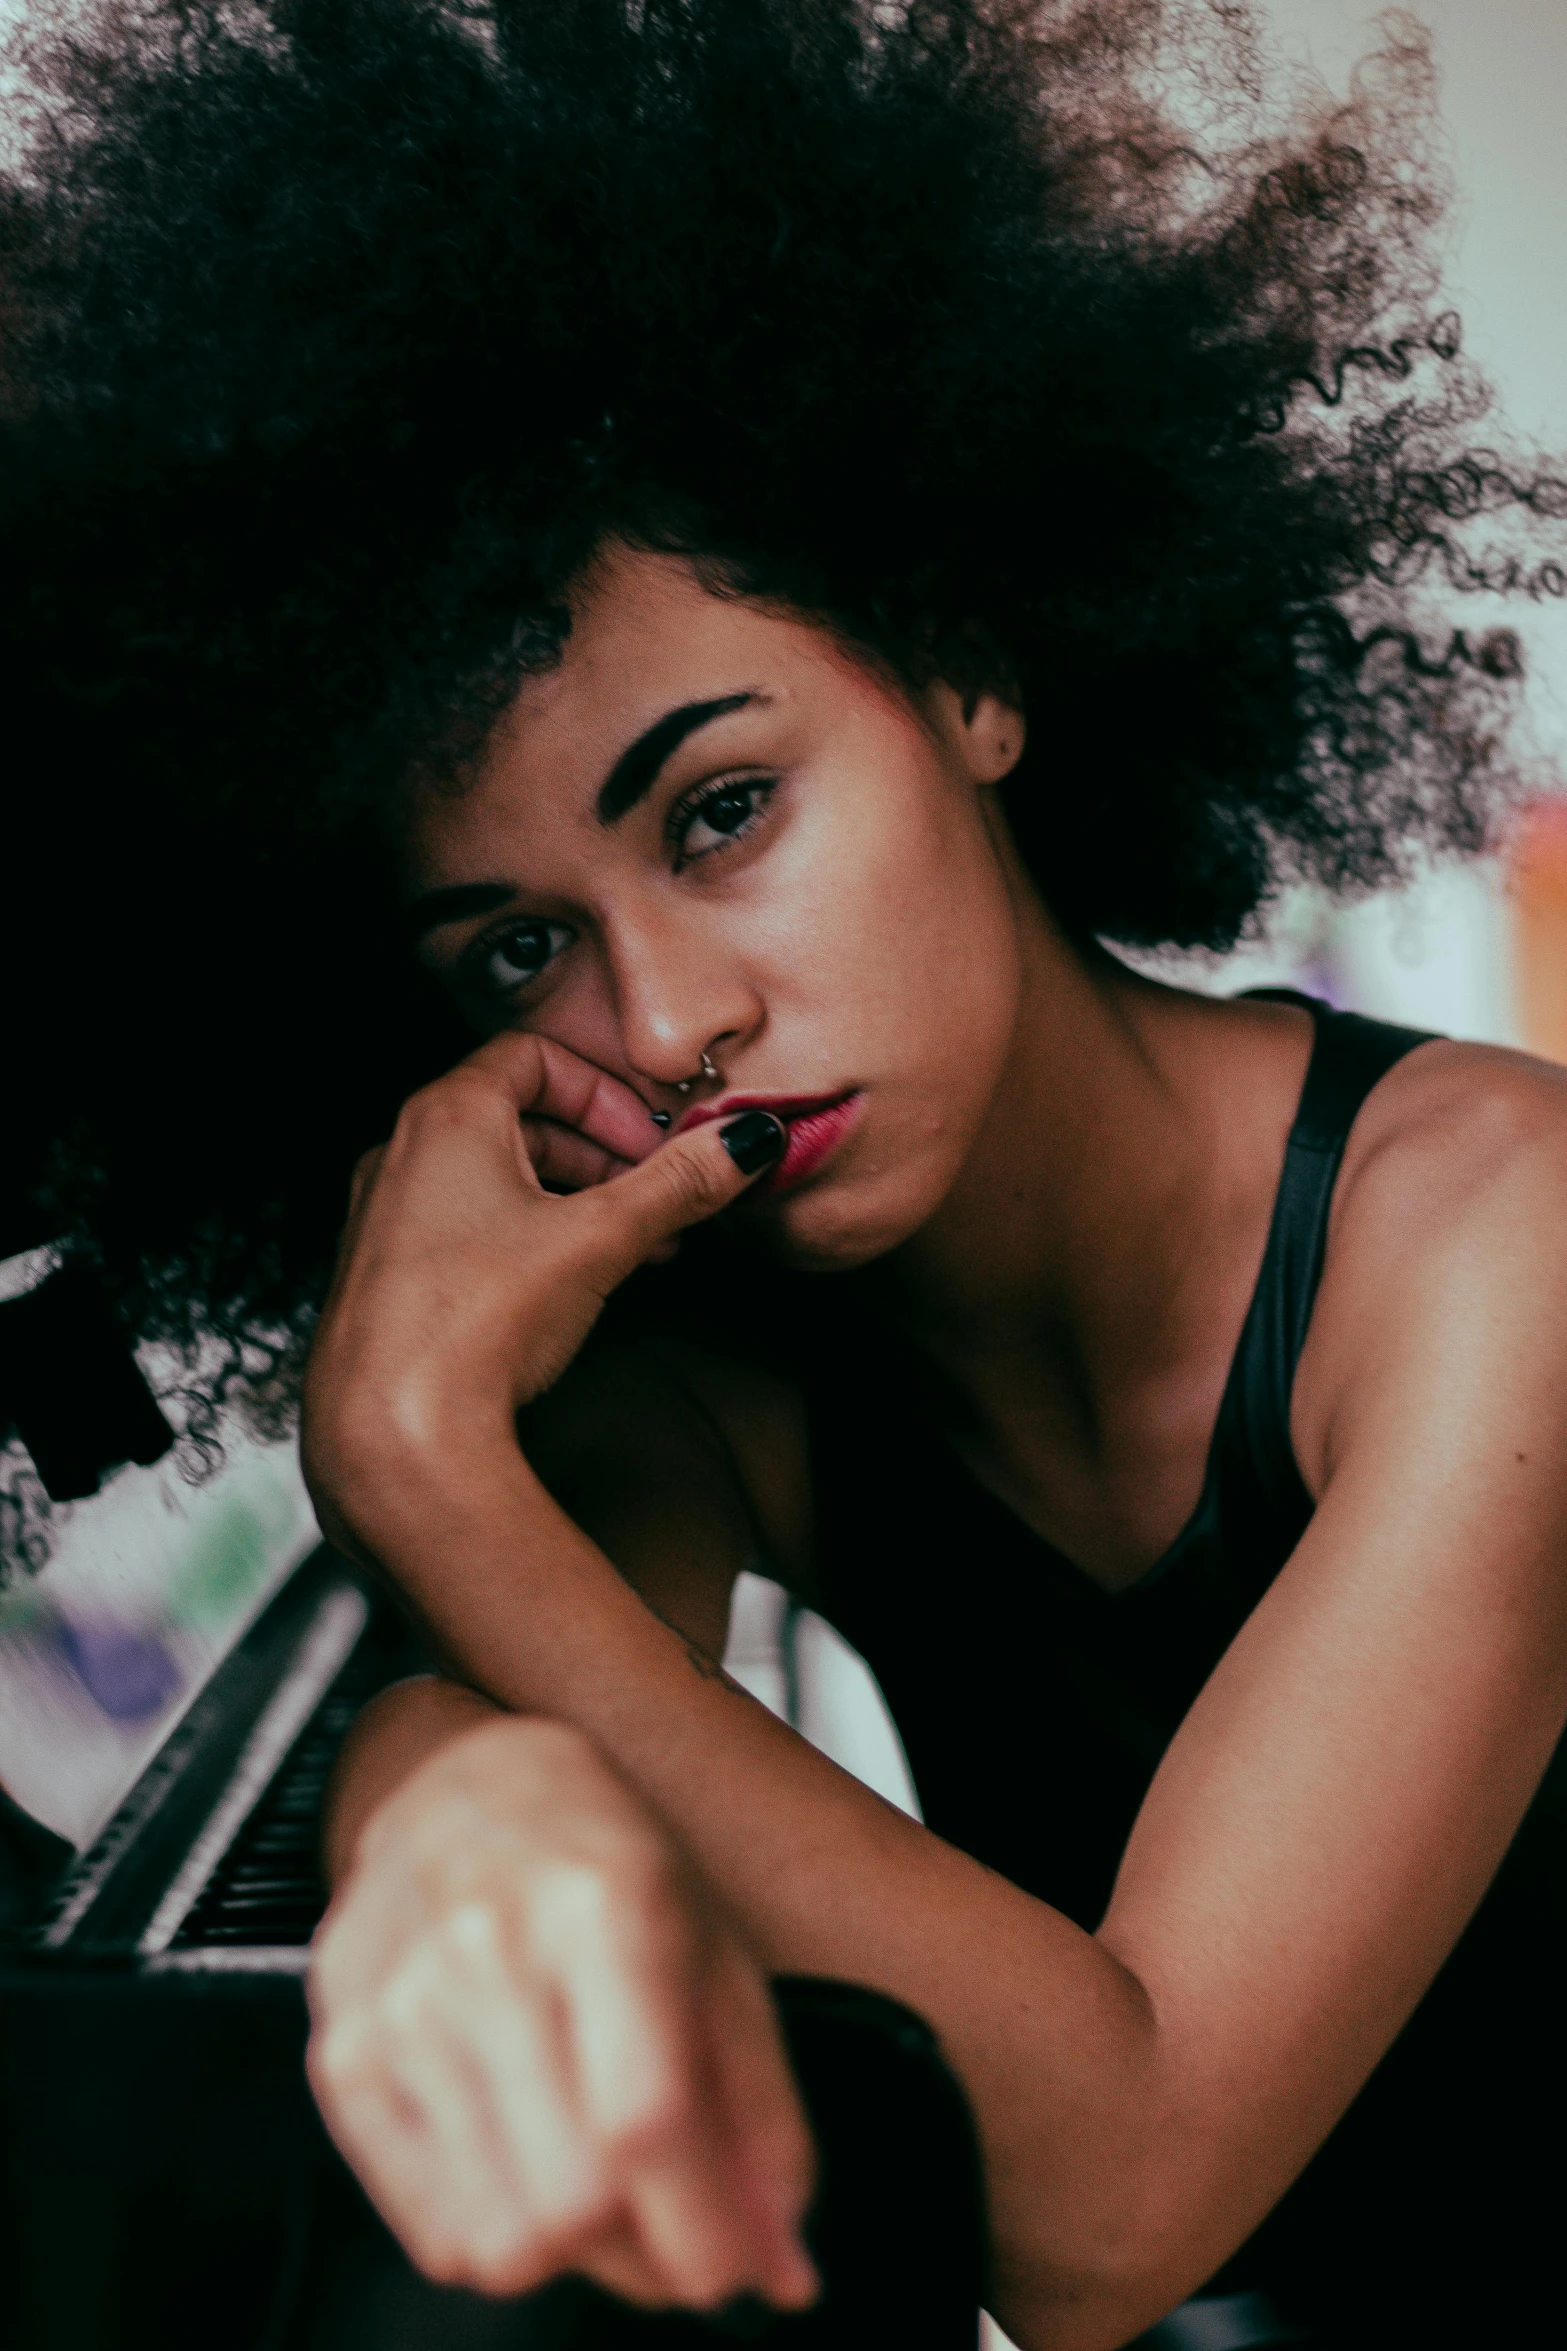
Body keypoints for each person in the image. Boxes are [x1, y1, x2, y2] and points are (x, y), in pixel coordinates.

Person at [3, 0, 1567, 2342]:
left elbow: (1113, 2205)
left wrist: (417, 1454)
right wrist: (447, 1800)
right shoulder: (726, 1353)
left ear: (968, 676)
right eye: (521, 945)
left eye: (721, 809)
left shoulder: (1505, 1239)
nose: (660, 1023)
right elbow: (503, 1699)